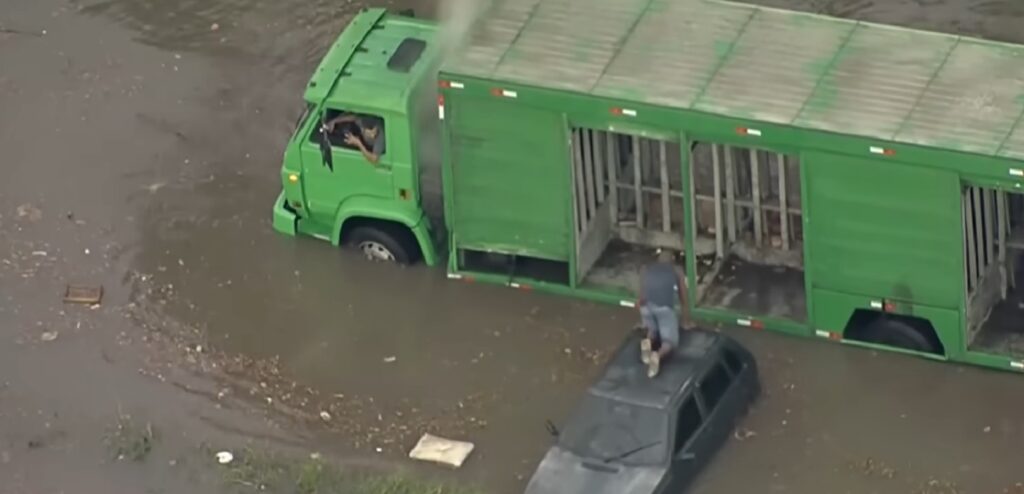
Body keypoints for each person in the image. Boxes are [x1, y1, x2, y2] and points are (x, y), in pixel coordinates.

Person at [637, 248, 691, 378]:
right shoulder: (677, 270)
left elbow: (641, 293)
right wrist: (686, 321)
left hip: (645, 306)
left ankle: (647, 342)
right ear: (672, 261)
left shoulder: (646, 268)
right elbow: (683, 296)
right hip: (663, 308)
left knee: (653, 329)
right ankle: (657, 355)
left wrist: (641, 319)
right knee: (669, 341)